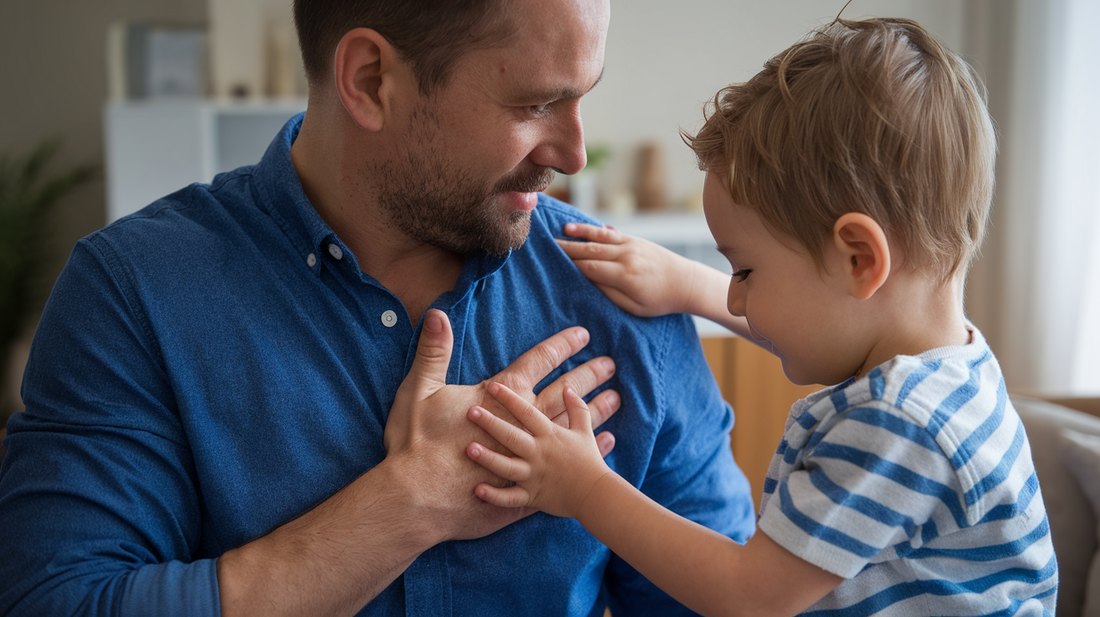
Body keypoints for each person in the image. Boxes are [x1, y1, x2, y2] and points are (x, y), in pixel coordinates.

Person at [0, 0, 756, 615]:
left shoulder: (619, 296)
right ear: (368, 79)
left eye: (580, 97)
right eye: (534, 103)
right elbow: (60, 601)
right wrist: (406, 504)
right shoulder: (132, 292)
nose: (573, 153)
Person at [463, 16, 1059, 617]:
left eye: (745, 272)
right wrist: (689, 285)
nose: (735, 299)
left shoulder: (897, 426)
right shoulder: (950, 373)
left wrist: (583, 487)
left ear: (859, 258)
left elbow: (745, 597)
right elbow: (819, 322)